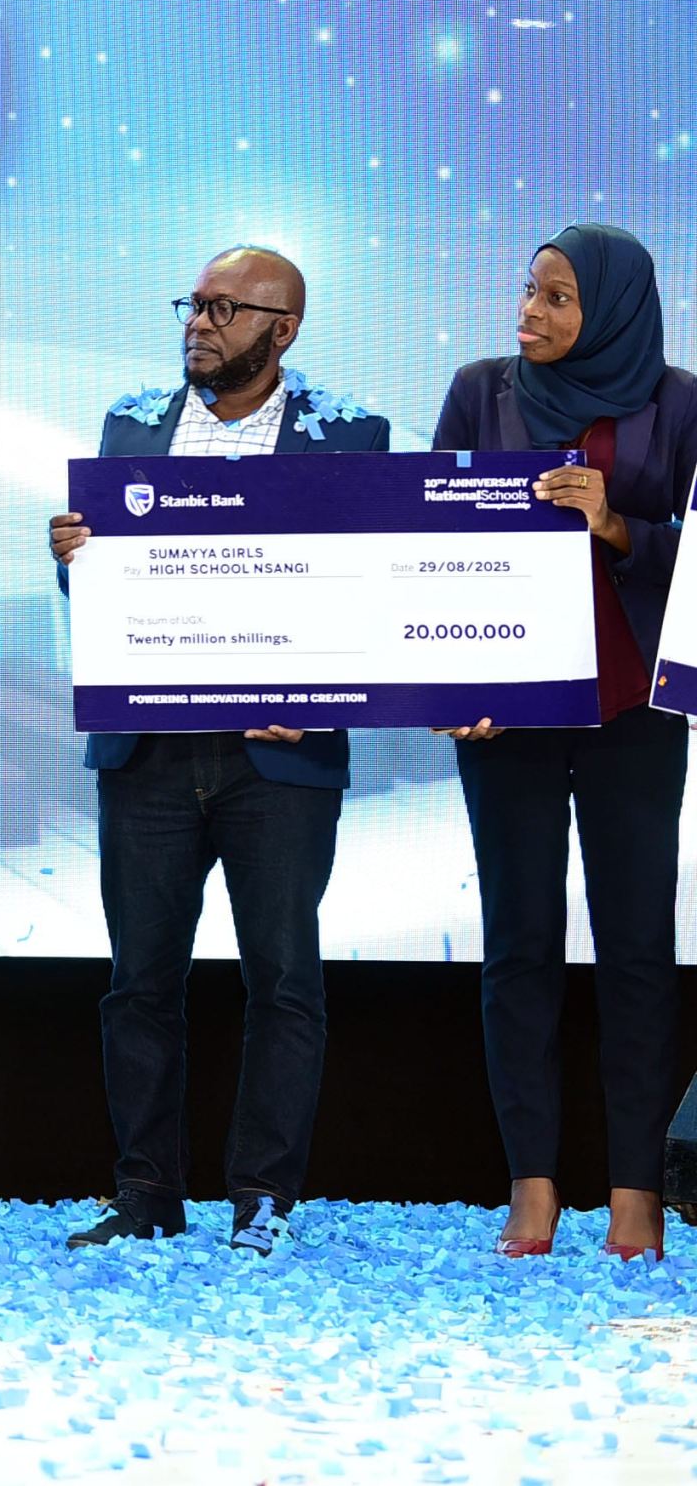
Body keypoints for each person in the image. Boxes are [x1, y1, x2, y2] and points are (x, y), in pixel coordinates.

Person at [47, 247, 389, 1257]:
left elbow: (374, 591)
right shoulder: (129, 423)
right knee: (137, 978)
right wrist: (74, 560)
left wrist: (320, 689)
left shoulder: (348, 435)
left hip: (276, 754)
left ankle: (263, 1195)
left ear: (282, 330)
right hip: (147, 746)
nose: (198, 321)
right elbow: (101, 596)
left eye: (224, 308)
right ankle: (145, 1188)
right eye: (192, 302)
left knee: (282, 976)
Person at [432, 223, 695, 1261]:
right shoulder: (480, 389)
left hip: (634, 708)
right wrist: (452, 676)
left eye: (555, 297)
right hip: (509, 714)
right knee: (520, 944)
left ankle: (635, 1191)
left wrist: (620, 526)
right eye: (527, 290)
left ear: (614, 310)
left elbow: (694, 552)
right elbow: (432, 538)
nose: (528, 312)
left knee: (635, 947)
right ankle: (530, 1185)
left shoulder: (678, 401)